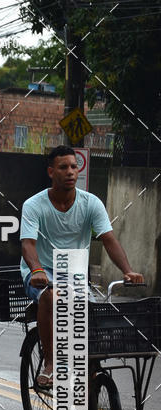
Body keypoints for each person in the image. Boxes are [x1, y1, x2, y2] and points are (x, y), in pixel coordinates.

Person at [20, 145, 144, 387]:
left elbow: (109, 239)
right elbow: (28, 244)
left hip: (74, 274)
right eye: (63, 167)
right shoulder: (34, 205)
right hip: (42, 271)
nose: (70, 172)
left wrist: (127, 271)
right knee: (51, 297)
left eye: (74, 167)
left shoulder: (91, 203)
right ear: (50, 171)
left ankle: (90, 382)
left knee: (89, 315)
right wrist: (36, 270)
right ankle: (51, 362)